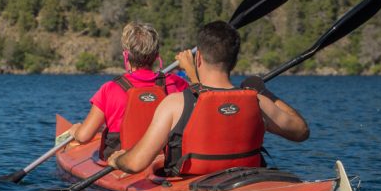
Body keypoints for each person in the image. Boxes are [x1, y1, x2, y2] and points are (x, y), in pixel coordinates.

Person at [107, 20, 309, 177]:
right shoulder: (257, 101)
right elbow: (301, 131)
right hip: (244, 184)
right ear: (234, 60)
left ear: (199, 58)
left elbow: (136, 163)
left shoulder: (174, 104)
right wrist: (264, 92)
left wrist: (117, 160)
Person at [67, 22, 191, 160]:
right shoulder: (177, 83)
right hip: (163, 162)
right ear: (156, 55)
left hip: (121, 161)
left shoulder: (109, 89)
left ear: (126, 56)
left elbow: (84, 137)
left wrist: (76, 131)